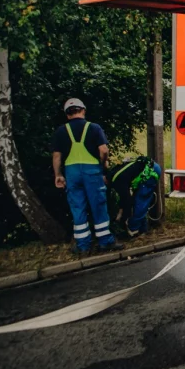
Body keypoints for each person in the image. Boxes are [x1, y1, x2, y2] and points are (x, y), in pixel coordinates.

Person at [52, 98, 123, 255]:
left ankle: (83, 246)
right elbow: (104, 150)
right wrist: (103, 165)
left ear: (67, 114)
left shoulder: (61, 131)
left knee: (78, 208)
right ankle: (105, 241)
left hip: (71, 173)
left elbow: (57, 156)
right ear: (83, 110)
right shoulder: (93, 128)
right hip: (92, 172)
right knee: (98, 205)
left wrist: (58, 175)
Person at [107, 156, 162, 237]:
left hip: (150, 172)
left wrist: (122, 218)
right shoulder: (113, 173)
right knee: (140, 202)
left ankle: (133, 229)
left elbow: (127, 200)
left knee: (140, 202)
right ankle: (143, 230)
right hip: (149, 168)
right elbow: (124, 197)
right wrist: (120, 211)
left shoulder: (116, 181)